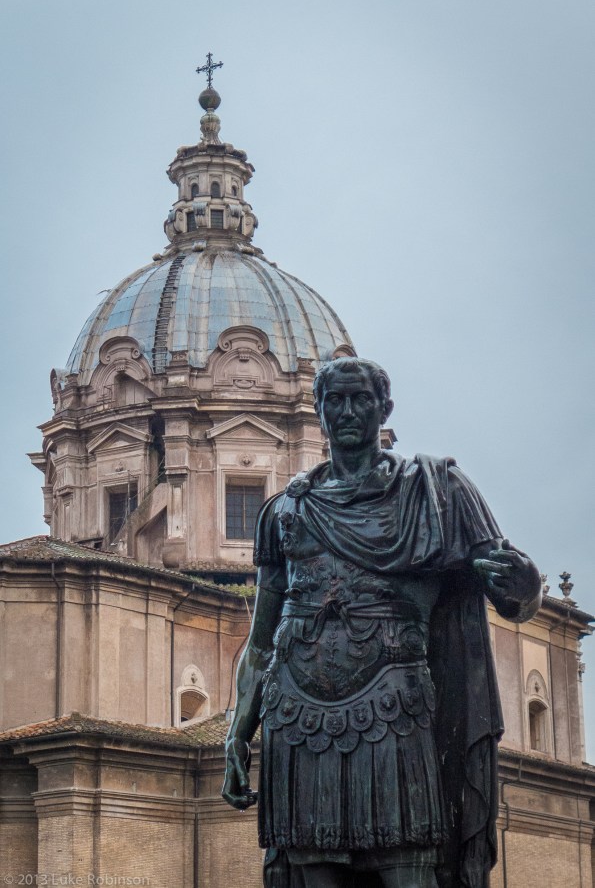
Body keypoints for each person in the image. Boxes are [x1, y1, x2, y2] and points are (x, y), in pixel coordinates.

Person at [222, 357, 541, 888]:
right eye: (335, 400)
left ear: (384, 408)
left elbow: (516, 598)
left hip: (393, 709)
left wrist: (522, 582)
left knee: (409, 867)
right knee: (311, 869)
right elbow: (261, 643)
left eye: (360, 399)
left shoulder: (437, 492)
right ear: (318, 411)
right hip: (296, 717)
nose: (347, 411)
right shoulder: (282, 512)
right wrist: (237, 732)